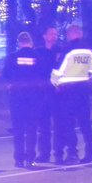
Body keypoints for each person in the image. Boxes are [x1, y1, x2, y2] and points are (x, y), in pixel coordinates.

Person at [50, 23, 92, 164]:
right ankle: (91, 153)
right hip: (83, 90)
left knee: (69, 124)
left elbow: (58, 71)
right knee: (85, 124)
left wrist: (56, 84)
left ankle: (73, 153)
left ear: (70, 34)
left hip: (69, 92)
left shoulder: (67, 50)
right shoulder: (89, 50)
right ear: (80, 33)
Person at [3, 30, 45, 168]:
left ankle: (18, 159)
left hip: (17, 98)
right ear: (30, 42)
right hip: (33, 98)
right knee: (31, 129)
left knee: (18, 129)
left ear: (19, 43)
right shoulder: (37, 56)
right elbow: (42, 75)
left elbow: (6, 75)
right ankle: (30, 158)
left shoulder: (11, 57)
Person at [33, 24, 60, 163]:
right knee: (43, 125)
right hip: (42, 93)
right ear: (44, 36)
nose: (53, 36)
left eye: (55, 34)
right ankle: (44, 153)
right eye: (51, 33)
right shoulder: (38, 52)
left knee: (59, 124)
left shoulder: (60, 51)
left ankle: (59, 153)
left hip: (57, 93)